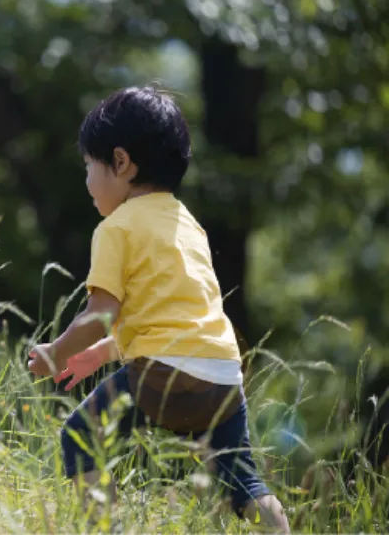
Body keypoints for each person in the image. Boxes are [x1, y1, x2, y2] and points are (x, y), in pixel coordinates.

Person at [27, 86, 290, 532]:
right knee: (243, 481)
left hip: (162, 375)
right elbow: (170, 320)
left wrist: (57, 352)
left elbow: (101, 312)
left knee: (79, 437)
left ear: (121, 163)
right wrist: (101, 354)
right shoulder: (189, 225)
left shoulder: (117, 227)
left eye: (89, 166)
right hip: (224, 375)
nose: (87, 181)